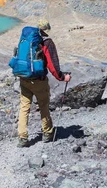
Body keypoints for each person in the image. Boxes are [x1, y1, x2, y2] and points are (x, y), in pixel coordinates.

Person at [17, 19, 71, 148]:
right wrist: (62, 77)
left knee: (24, 107)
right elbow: (52, 65)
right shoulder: (47, 42)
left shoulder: (27, 38)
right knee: (43, 105)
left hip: (24, 78)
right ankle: (47, 133)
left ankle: (22, 137)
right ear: (47, 29)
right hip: (38, 80)